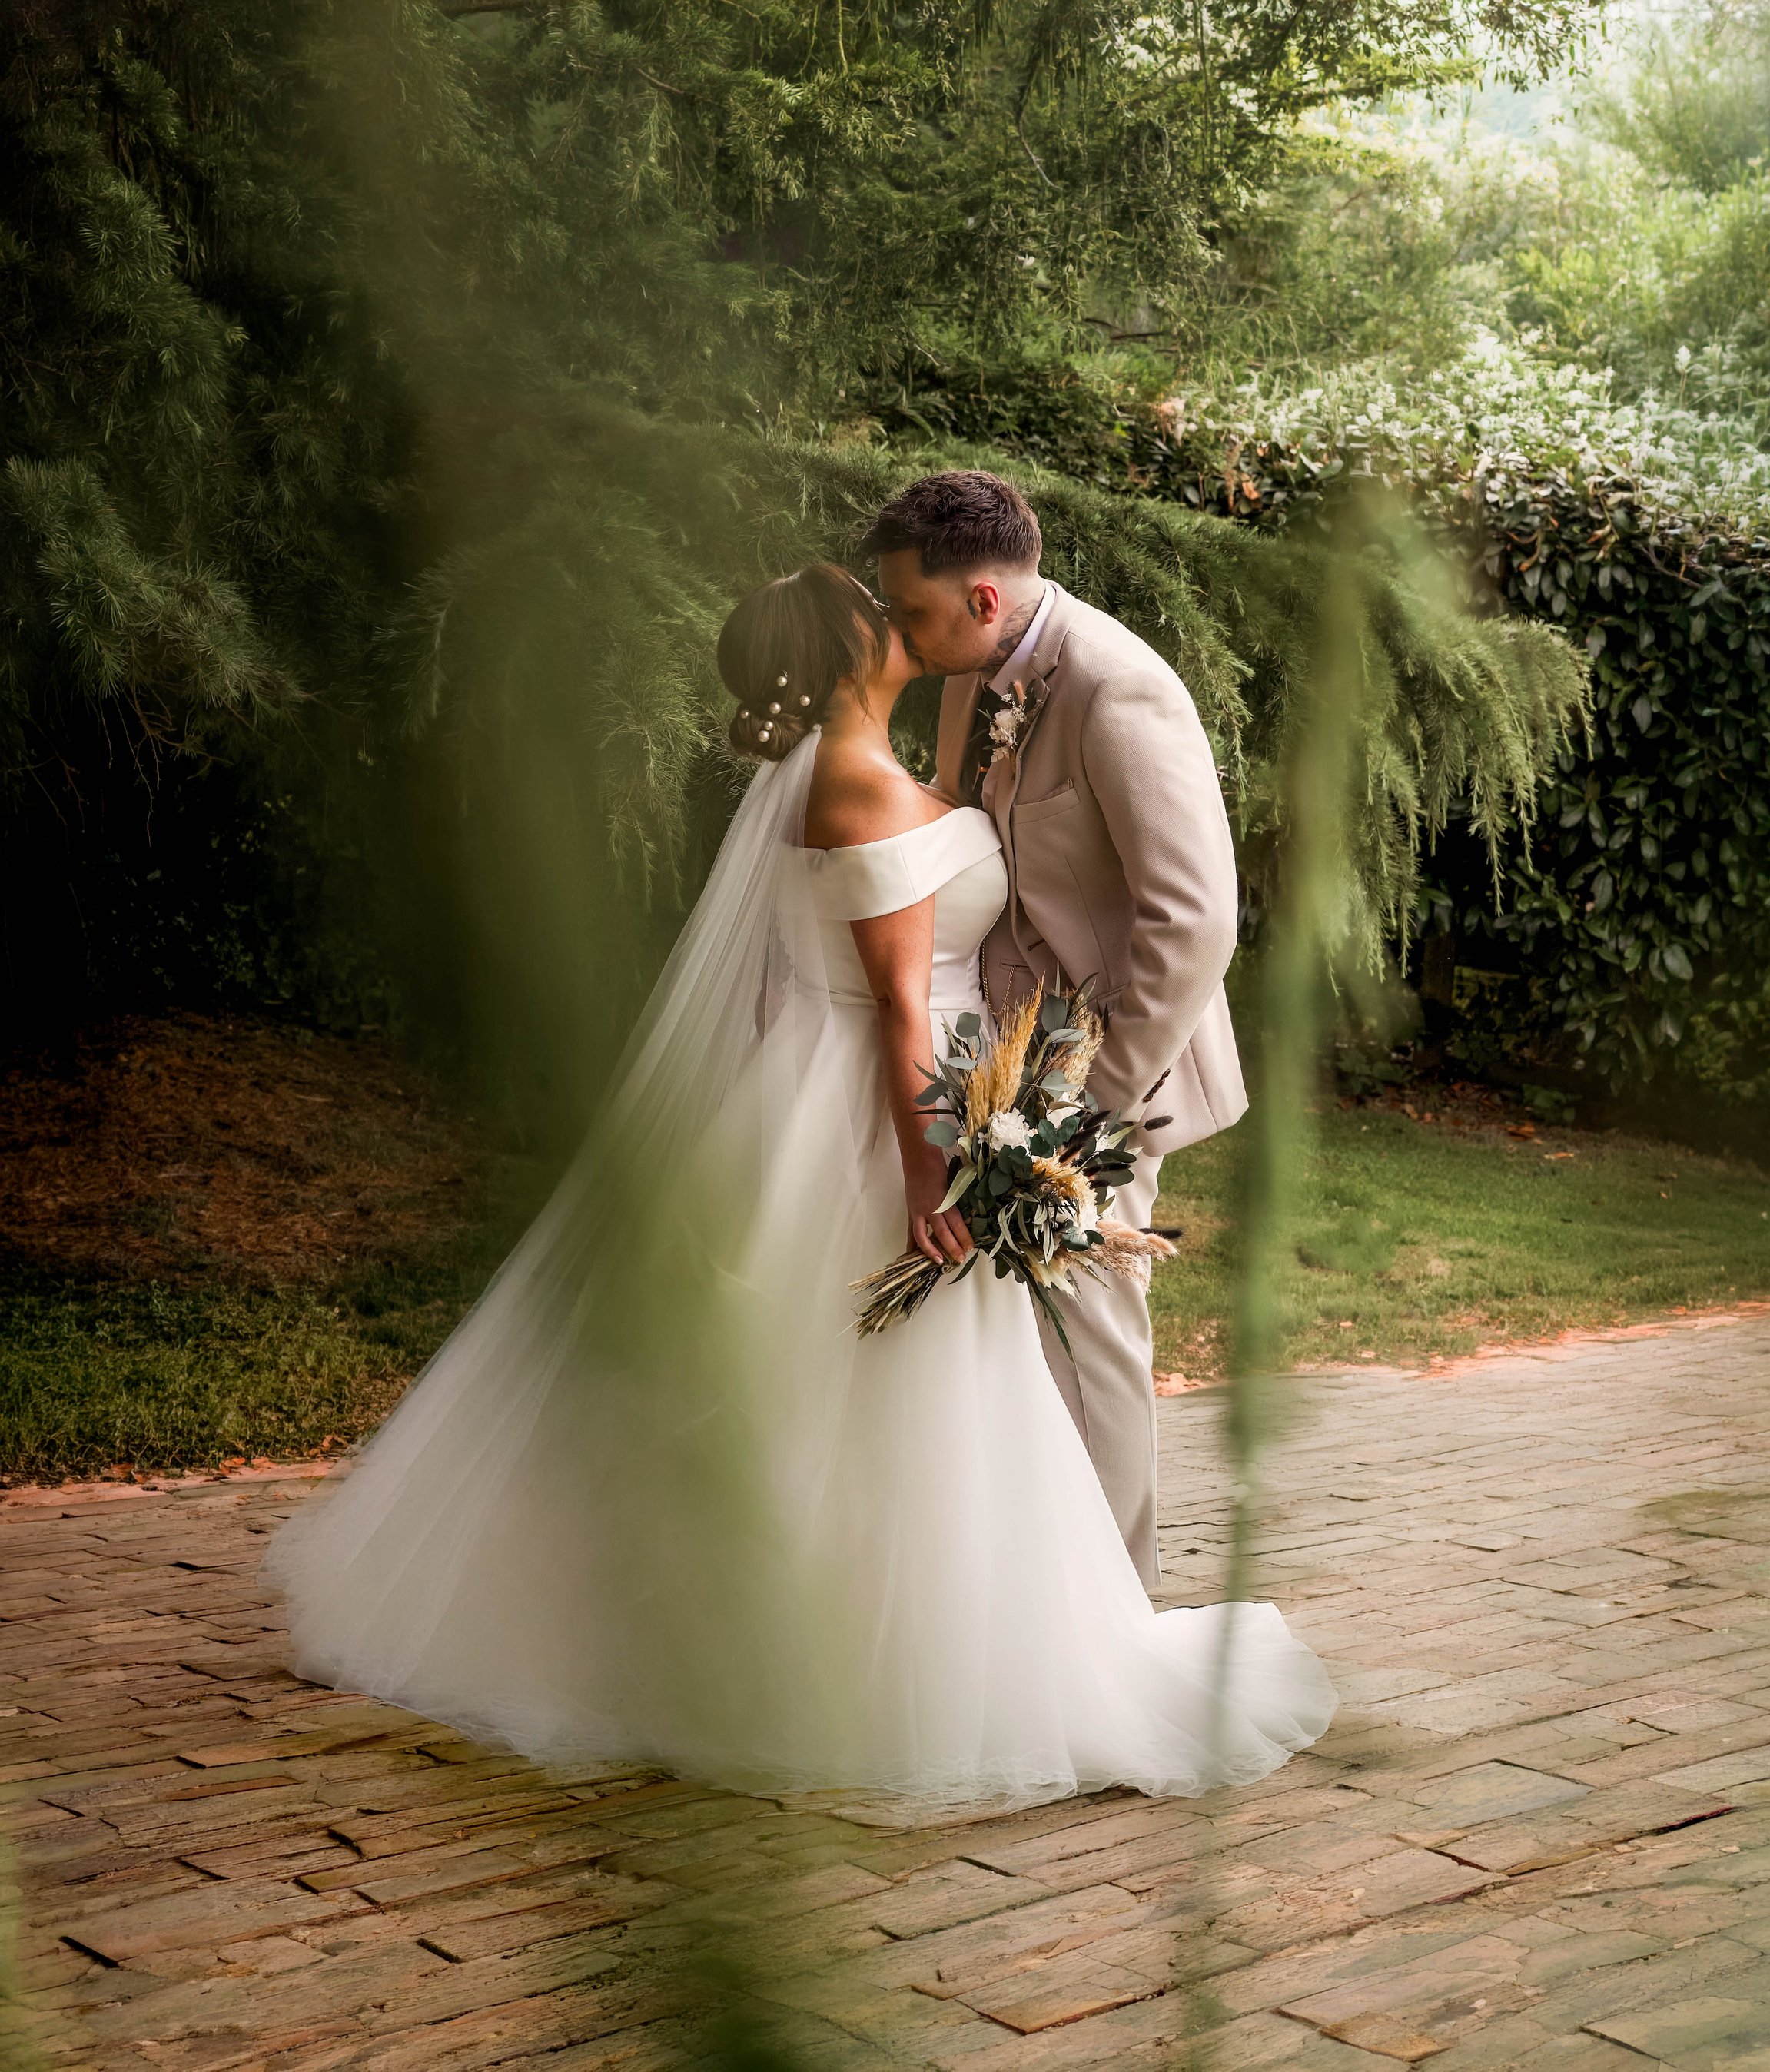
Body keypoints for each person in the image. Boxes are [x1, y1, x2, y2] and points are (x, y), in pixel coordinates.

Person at [265, 559, 1333, 1808]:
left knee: (895, 1397)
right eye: (877, 618)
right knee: (862, 1392)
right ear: (842, 655)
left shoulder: (879, 761)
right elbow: (891, 1017)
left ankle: (941, 1629)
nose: (900, 625)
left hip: (915, 1089)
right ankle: (849, 1664)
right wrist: (935, 1181)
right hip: (879, 1112)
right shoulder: (853, 787)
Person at [865, 472, 1245, 1589]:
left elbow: (1195, 921)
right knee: (1015, 1352)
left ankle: (1119, 1624)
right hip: (998, 1066)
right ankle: (1032, 1613)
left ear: (984, 600)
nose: (901, 633)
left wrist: (1086, 1108)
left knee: (1088, 1344)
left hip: (1104, 1082)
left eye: (914, 612)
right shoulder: (964, 677)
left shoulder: (1122, 690)